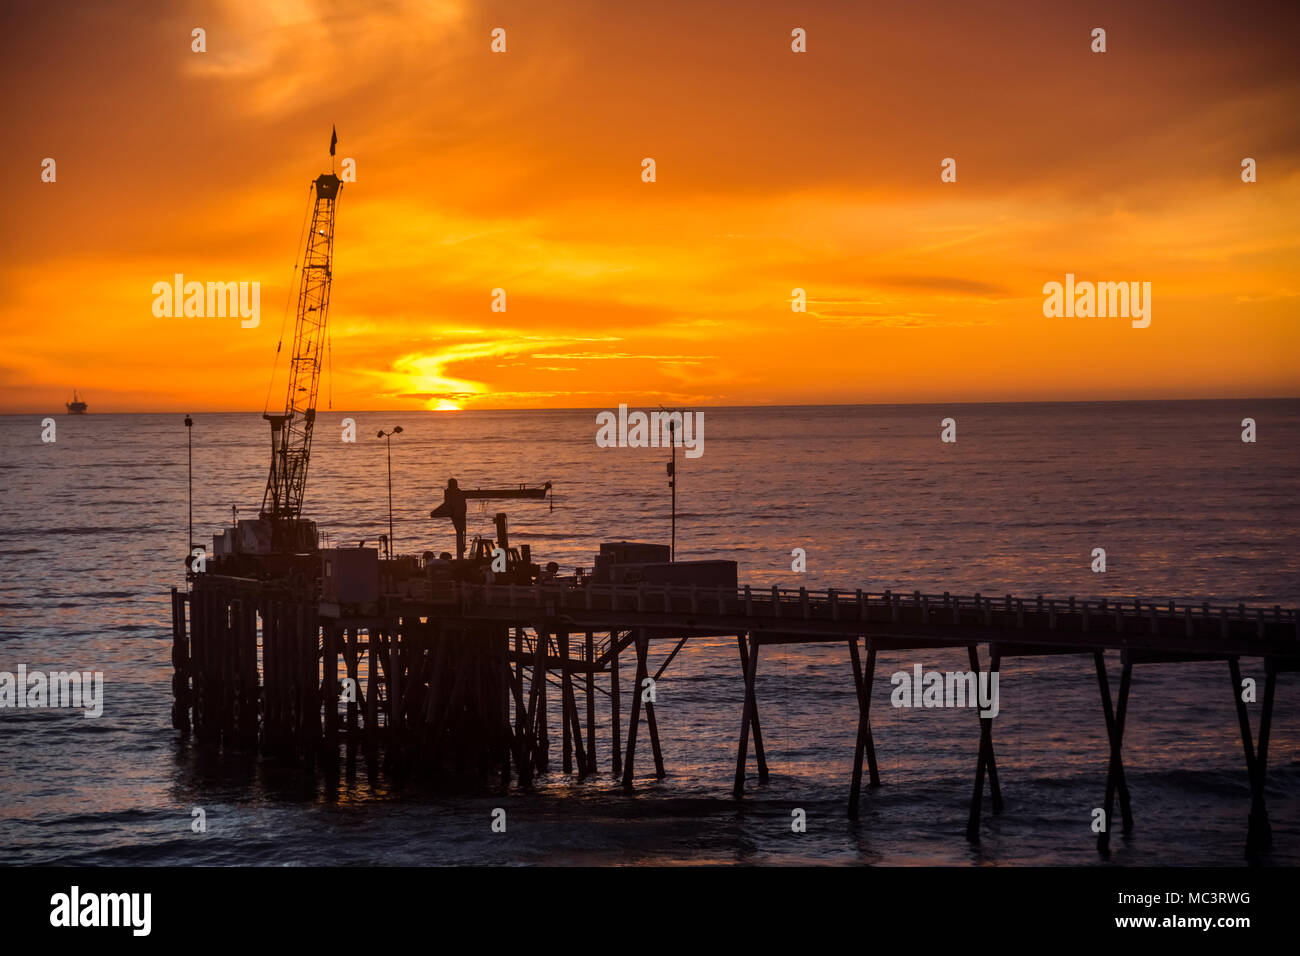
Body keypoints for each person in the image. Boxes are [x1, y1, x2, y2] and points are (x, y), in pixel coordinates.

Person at [430, 477, 469, 559]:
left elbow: (455, 506)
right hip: (457, 515)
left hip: (458, 515)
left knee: (460, 531)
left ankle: (461, 550)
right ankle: (461, 551)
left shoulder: (457, 494)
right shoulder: (455, 494)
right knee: (460, 531)